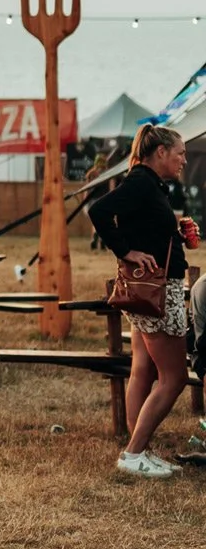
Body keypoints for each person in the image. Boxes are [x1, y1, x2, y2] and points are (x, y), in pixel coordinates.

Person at [89, 124, 192, 477]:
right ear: (160, 152)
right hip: (158, 293)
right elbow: (98, 211)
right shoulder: (140, 182)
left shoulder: (149, 185)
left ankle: (139, 449)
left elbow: (142, 226)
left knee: (144, 370)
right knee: (174, 377)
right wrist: (125, 251)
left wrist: (175, 234)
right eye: (179, 152)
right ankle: (133, 454)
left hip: (148, 290)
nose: (183, 159)